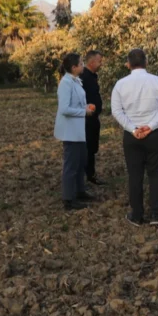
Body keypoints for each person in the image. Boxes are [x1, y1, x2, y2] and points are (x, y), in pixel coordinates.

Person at [111, 48, 158, 226]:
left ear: (128, 64)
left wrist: (133, 128)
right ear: (146, 62)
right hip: (154, 134)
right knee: (156, 174)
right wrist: (151, 126)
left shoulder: (120, 85)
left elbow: (116, 111)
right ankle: (156, 213)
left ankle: (137, 214)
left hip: (132, 136)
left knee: (135, 175)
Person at [55, 52, 96, 211]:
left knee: (80, 162)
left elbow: (77, 104)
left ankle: (80, 191)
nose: (83, 66)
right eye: (81, 63)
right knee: (71, 165)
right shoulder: (65, 83)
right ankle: (68, 198)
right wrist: (83, 112)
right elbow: (64, 109)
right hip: (70, 131)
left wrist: (85, 108)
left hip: (78, 129)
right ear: (73, 67)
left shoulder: (75, 81)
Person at [79, 50, 104, 185]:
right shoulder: (83, 77)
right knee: (87, 148)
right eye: (99, 61)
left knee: (92, 147)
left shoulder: (93, 76)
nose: (101, 64)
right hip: (86, 119)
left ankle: (90, 174)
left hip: (93, 119)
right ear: (92, 62)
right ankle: (87, 176)